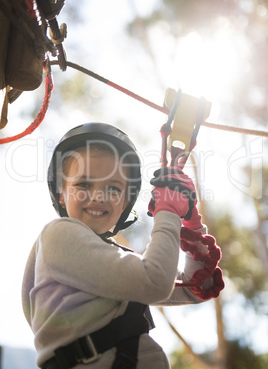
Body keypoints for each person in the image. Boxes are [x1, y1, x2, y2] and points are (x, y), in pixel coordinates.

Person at [22, 122, 224, 369]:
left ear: (126, 201)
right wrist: (168, 210)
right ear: (61, 193)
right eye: (84, 184)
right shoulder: (59, 234)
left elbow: (196, 287)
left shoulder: (112, 260)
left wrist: (191, 220)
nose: (98, 196)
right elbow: (156, 280)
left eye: (113, 188)